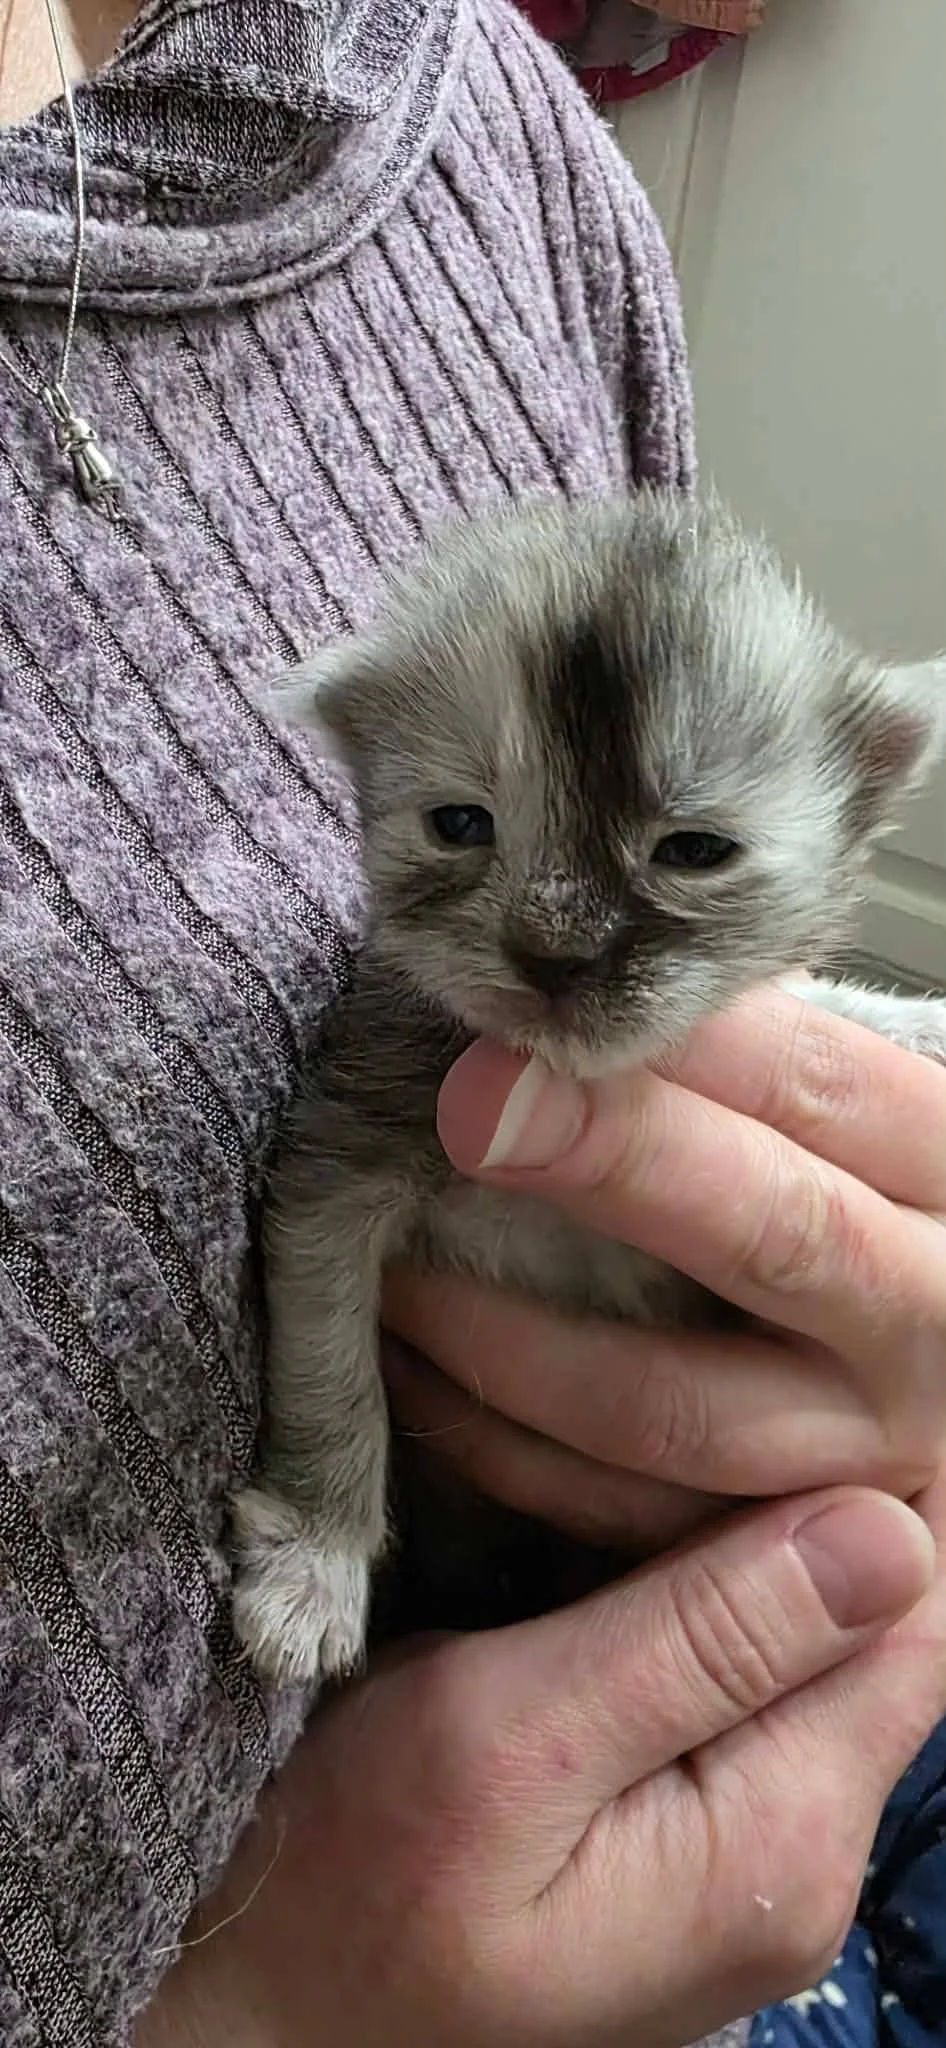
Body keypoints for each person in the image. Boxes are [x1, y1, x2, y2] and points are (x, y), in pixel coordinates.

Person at [0, 4, 943, 2045]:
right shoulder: (379, 1071)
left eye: (684, 856)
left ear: (869, 790)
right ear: (351, 765)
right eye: (452, 834)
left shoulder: (492, 133)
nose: (551, 932)